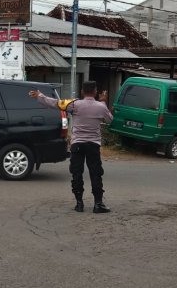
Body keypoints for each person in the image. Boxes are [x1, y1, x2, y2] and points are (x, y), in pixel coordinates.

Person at [30, 81, 114, 213]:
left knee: (76, 173)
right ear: (95, 92)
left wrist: (40, 96)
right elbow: (110, 120)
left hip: (77, 144)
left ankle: (79, 203)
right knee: (96, 173)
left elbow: (55, 103)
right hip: (93, 145)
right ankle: (98, 204)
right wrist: (103, 102)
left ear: (82, 91)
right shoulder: (101, 106)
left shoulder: (74, 104)